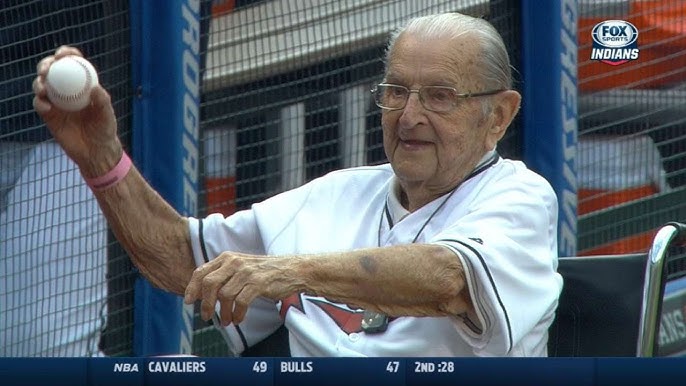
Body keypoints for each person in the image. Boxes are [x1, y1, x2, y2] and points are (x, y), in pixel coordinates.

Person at [33, 12, 562, 357]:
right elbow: (178, 259)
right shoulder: (336, 194)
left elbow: (447, 278)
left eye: (440, 96)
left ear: (499, 115)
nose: (410, 116)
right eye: (396, 91)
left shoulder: (518, 196)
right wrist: (102, 159)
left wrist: (286, 271)